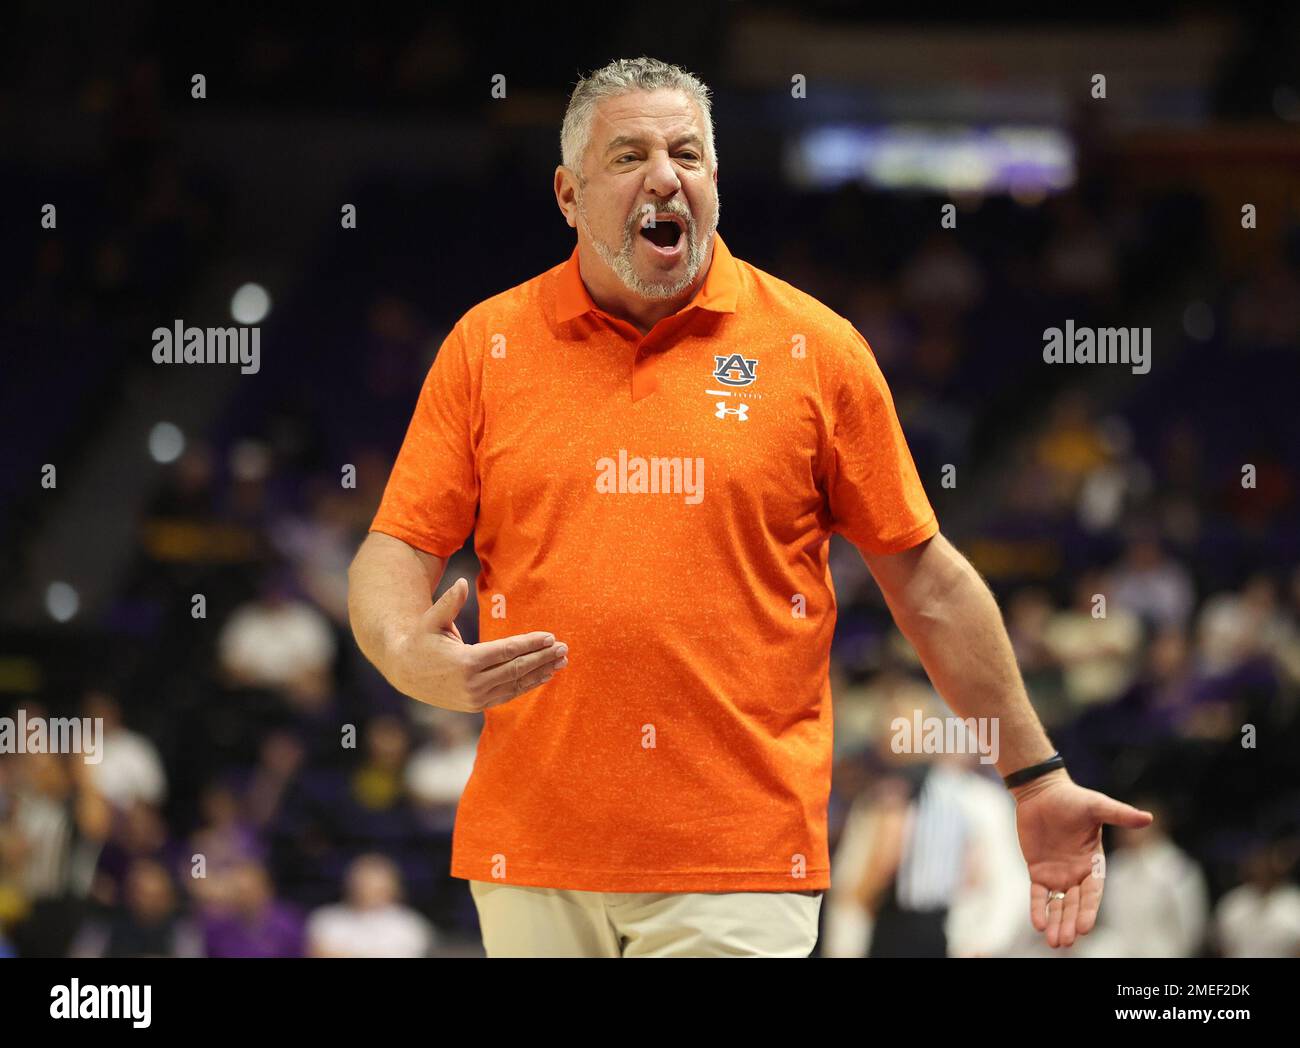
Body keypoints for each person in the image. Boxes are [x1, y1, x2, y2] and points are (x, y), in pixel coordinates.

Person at [347, 56, 1151, 958]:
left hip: (740, 859)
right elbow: (396, 548)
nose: (666, 177)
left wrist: (1035, 777)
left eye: (688, 154)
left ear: (716, 182)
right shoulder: (486, 347)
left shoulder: (816, 349)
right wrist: (406, 654)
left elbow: (925, 582)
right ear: (569, 196)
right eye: (630, 156)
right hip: (530, 848)